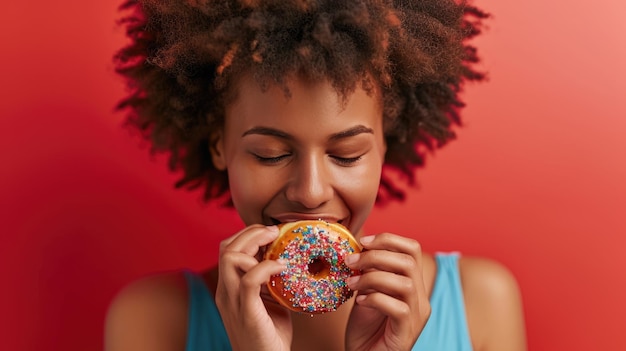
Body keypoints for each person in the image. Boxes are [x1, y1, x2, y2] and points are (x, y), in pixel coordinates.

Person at [105, 0, 527, 350]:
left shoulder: (480, 302)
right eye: (271, 155)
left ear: (384, 144)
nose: (310, 192)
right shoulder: (154, 321)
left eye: (346, 155)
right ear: (219, 145)